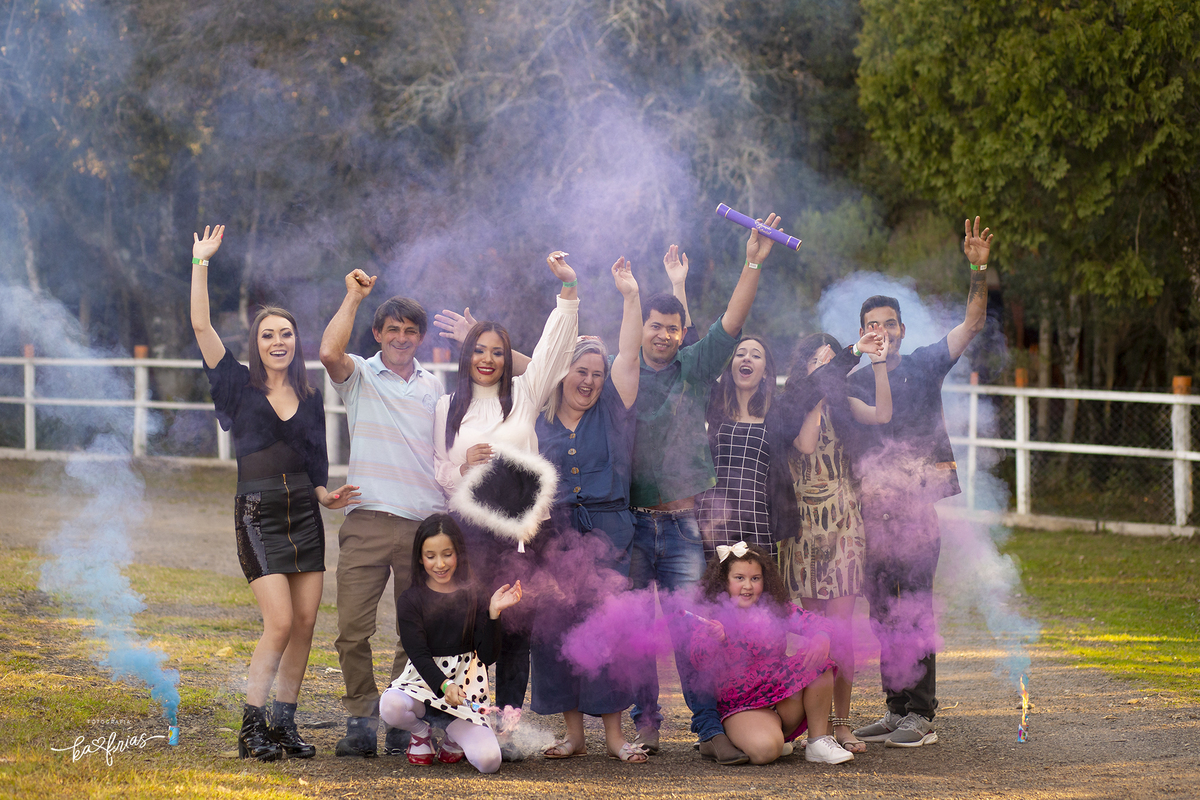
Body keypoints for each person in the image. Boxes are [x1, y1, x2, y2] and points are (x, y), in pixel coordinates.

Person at [190, 224, 359, 761]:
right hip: (258, 512)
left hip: (305, 512)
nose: (278, 342)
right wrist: (201, 264)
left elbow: (313, 461)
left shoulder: (310, 395)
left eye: (286, 334)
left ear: (295, 342)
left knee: (307, 623)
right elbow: (199, 324)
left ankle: (284, 725)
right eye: (268, 335)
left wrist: (325, 494)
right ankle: (251, 726)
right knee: (280, 622)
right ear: (256, 344)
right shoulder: (237, 385)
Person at [627, 217, 782, 765]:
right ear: (641, 326)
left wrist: (753, 261)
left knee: (691, 633)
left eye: (674, 327)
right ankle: (644, 723)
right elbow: (555, 373)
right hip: (631, 523)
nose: (666, 335)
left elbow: (732, 320)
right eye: (657, 326)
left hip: (682, 523)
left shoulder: (693, 367)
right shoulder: (621, 372)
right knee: (638, 632)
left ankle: (708, 728)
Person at [849, 217, 993, 748]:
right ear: (863, 332)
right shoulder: (853, 381)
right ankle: (894, 708)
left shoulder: (926, 364)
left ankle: (922, 715)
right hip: (869, 519)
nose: (880, 331)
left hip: (914, 517)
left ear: (902, 329)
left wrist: (977, 269)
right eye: (871, 324)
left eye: (888, 323)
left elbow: (973, 323)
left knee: (914, 611)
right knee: (883, 615)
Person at [433, 251, 580, 715]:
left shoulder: (524, 397)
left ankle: (511, 721)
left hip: (521, 536)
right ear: (467, 354)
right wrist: (460, 469)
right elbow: (437, 469)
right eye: (479, 349)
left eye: (497, 351)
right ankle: (465, 714)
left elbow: (554, 351)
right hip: (471, 535)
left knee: (517, 628)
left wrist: (568, 291)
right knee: (471, 623)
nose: (488, 358)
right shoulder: (446, 407)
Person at [318, 269, 446, 757]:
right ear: (378, 334)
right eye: (392, 329)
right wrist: (352, 295)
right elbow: (329, 352)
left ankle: (399, 715)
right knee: (353, 629)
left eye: (410, 331)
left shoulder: (435, 388)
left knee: (413, 631)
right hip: (367, 520)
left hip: (422, 526)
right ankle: (358, 718)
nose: (400, 338)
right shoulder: (360, 377)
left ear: (420, 337)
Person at [531, 257, 646, 763]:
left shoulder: (613, 406)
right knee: (559, 632)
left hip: (608, 531)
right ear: (564, 373)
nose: (591, 380)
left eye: (597, 374)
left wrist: (630, 296)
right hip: (553, 534)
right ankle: (575, 736)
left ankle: (616, 737)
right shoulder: (537, 416)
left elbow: (629, 353)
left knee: (607, 634)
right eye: (582, 371)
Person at [778, 331, 892, 754]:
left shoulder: (845, 406)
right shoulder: (790, 406)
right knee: (815, 634)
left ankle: (842, 725)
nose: (826, 371)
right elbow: (806, 445)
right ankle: (817, 729)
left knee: (841, 631)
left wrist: (878, 362)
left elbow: (881, 414)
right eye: (818, 363)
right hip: (805, 527)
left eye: (832, 363)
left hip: (844, 522)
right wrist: (819, 395)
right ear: (804, 366)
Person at [379, 513, 523, 773]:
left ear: (459, 553)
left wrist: (493, 613)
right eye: (430, 556)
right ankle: (421, 732)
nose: (440, 564)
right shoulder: (411, 599)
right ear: (420, 558)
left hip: (465, 695)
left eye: (447, 554)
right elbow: (418, 653)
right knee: (390, 706)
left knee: (490, 762)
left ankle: (453, 736)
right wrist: (444, 685)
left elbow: (489, 656)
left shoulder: (475, 594)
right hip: (423, 688)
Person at [687, 543, 852, 765]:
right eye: (739, 578)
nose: (748, 586)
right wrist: (713, 640)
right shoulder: (712, 616)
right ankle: (741, 736)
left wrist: (822, 636)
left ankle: (817, 742)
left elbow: (820, 623)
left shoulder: (776, 609)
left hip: (782, 699)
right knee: (766, 751)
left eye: (755, 578)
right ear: (724, 581)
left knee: (818, 658)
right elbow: (698, 662)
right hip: (742, 705)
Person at [696, 336, 790, 560]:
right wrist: (679, 300)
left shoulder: (777, 411)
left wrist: (854, 352)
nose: (747, 358)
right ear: (731, 367)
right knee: (714, 594)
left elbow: (810, 390)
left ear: (765, 372)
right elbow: (697, 356)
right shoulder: (717, 403)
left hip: (757, 526)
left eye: (756, 355)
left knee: (759, 595)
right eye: (740, 354)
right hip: (712, 527)